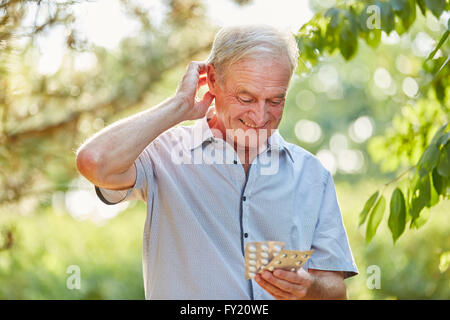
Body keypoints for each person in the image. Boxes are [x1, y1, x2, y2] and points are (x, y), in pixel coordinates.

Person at [76, 24, 358, 300]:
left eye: (275, 100)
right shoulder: (163, 154)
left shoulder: (312, 175)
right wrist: (178, 107)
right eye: (246, 97)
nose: (260, 117)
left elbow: (335, 290)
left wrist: (308, 288)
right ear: (212, 81)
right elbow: (94, 161)